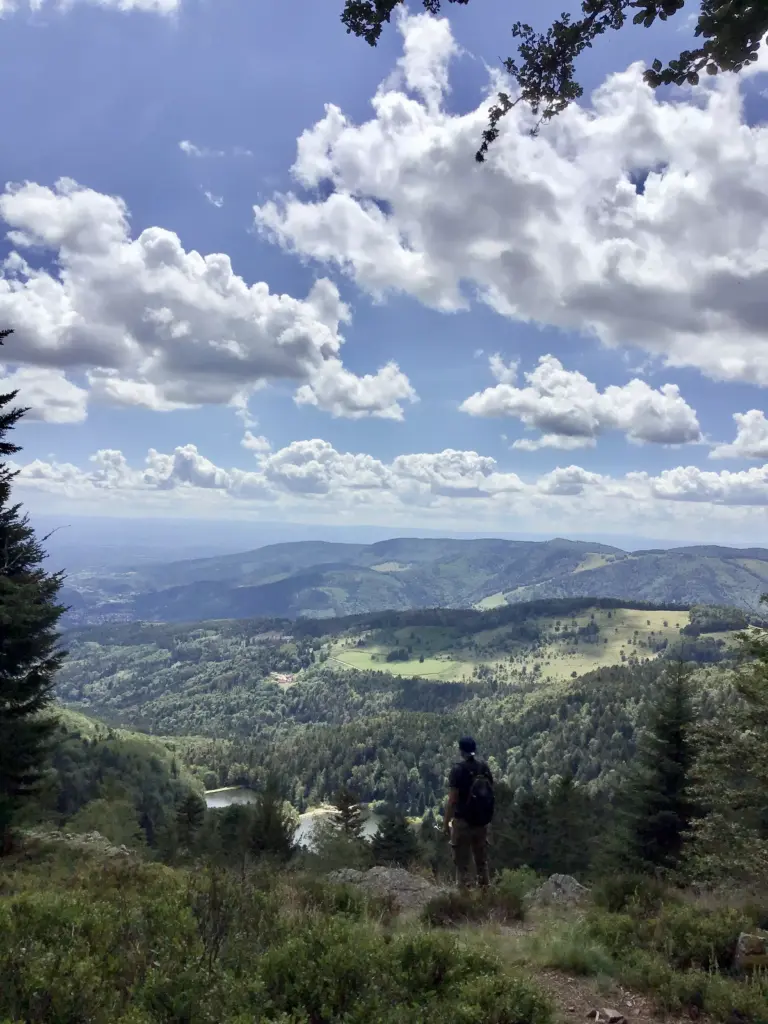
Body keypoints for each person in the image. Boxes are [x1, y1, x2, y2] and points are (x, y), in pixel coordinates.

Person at [443, 736, 494, 889]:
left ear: (461, 750)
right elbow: (490, 793)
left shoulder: (458, 770)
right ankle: (485, 895)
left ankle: (463, 899)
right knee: (481, 862)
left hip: (462, 823)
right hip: (481, 823)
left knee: (461, 863)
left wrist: (446, 823)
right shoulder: (484, 768)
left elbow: (452, 800)